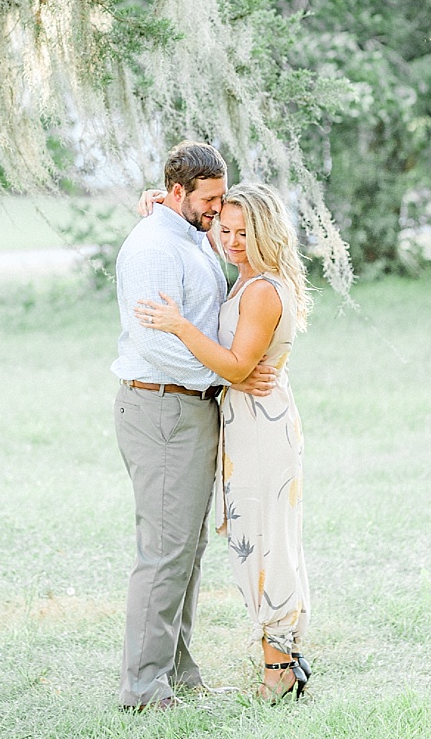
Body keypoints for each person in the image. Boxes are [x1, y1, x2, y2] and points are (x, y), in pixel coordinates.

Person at [110, 141, 276, 711]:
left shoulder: (184, 230)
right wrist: (229, 375)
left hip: (191, 408)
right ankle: (142, 686)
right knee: (164, 550)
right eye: (208, 199)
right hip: (163, 407)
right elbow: (157, 345)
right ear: (178, 193)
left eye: (221, 196)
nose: (218, 208)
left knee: (185, 546)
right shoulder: (156, 247)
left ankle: (178, 672)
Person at [134, 181, 314, 702]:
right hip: (249, 421)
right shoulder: (250, 278)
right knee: (257, 538)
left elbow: (237, 365)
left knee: (264, 542)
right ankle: (284, 657)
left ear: (267, 231)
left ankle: (280, 670)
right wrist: (155, 203)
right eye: (227, 229)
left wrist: (178, 326)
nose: (231, 240)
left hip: (260, 427)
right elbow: (194, 221)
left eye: (244, 232)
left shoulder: (260, 291)